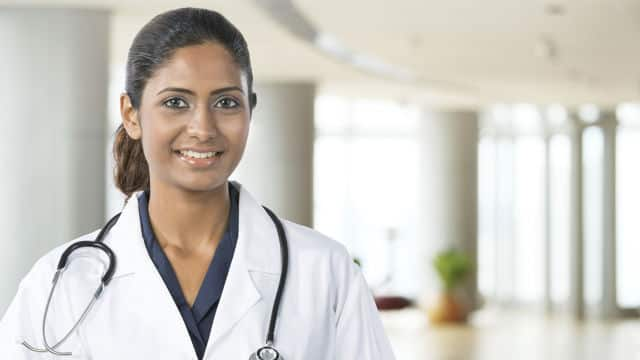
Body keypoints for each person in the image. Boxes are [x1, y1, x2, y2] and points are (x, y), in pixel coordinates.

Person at [0, 7, 395, 359]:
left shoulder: (325, 272)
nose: (203, 129)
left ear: (249, 111)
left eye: (226, 102)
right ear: (132, 114)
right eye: (176, 102)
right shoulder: (62, 283)